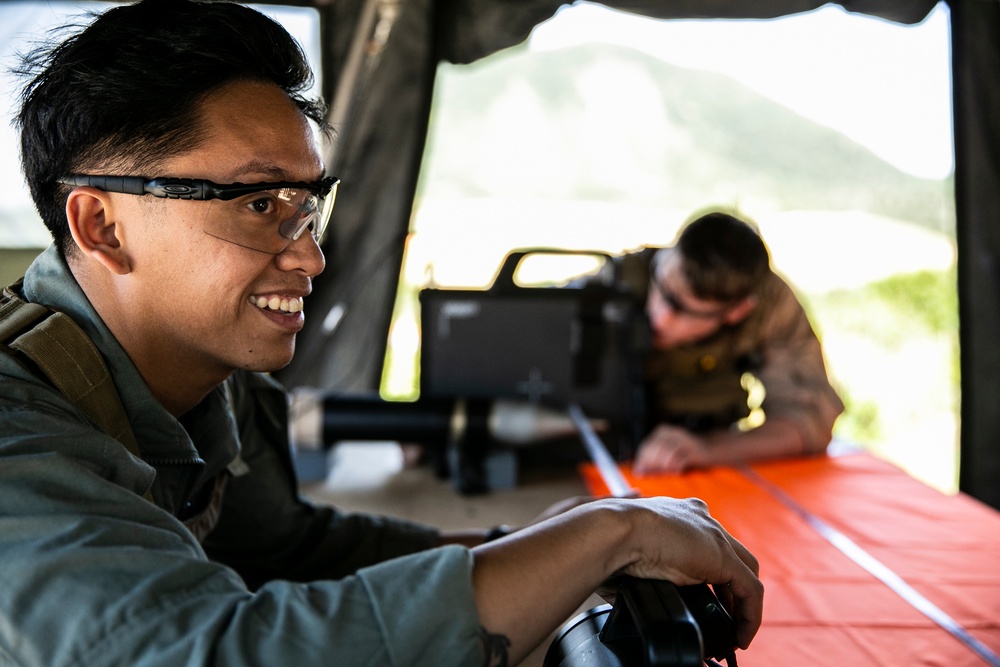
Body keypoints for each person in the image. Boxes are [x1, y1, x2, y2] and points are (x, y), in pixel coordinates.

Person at [0, 2, 762, 666]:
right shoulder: (21, 439)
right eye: (257, 204)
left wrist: (542, 544)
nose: (311, 255)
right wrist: (607, 534)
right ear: (101, 224)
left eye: (306, 206)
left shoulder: (203, 377)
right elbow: (214, 650)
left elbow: (292, 550)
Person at [615, 210, 845, 475]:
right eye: (662, 287)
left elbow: (808, 422)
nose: (660, 318)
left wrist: (706, 450)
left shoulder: (770, 304)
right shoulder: (618, 278)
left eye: (683, 310)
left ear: (737, 312)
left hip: (699, 462)